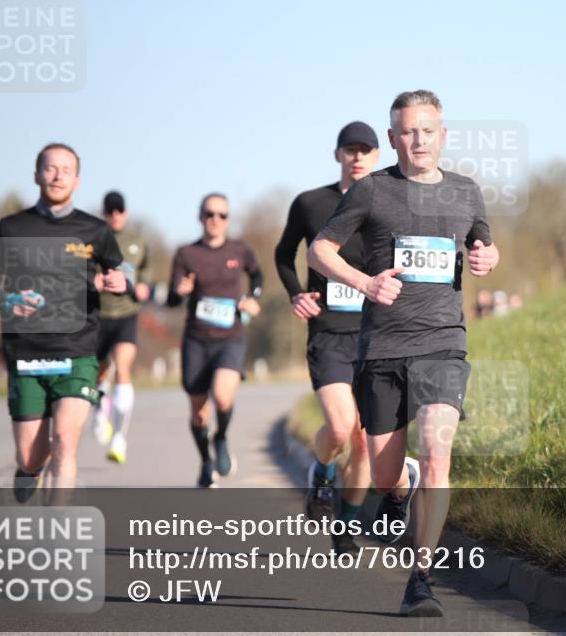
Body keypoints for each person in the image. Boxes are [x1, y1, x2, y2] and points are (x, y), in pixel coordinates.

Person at [309, 90, 499, 616]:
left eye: (428, 130)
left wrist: (488, 255)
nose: (419, 140)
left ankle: (421, 579)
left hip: (443, 344)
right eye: (407, 132)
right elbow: (319, 250)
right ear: (393, 139)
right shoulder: (371, 192)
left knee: (439, 453)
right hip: (383, 350)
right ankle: (396, 493)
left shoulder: (466, 192)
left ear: (443, 134)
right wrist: (364, 283)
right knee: (385, 471)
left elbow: (483, 241)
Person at [0, 143, 128, 501]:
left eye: (66, 170)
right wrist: (6, 299)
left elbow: (121, 272)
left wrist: (121, 282)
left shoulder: (95, 230)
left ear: (77, 180)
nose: (58, 176)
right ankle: (29, 469)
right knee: (31, 455)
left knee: (65, 443)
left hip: (77, 350)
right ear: (36, 174)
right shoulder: (11, 227)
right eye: (50, 168)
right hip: (26, 351)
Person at [274, 121, 380, 556]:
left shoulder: (387, 204)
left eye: (365, 150)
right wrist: (297, 293)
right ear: (337, 155)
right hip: (330, 335)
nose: (357, 157)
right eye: (349, 150)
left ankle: (347, 526)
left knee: (364, 441)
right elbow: (284, 254)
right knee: (341, 427)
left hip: (376, 337)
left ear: (376, 156)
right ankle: (320, 470)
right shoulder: (311, 203)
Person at [167, 193, 263, 488]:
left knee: (222, 396)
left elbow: (257, 276)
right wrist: (180, 291)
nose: (215, 219)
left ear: (228, 219)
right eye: (210, 214)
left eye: (221, 215)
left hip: (229, 339)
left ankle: (220, 438)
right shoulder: (186, 253)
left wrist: (252, 299)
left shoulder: (240, 250)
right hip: (197, 340)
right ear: (200, 217)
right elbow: (171, 299)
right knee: (198, 414)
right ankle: (206, 462)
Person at [89, 191, 152, 464]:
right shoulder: (93, 239)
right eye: (110, 211)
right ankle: (99, 410)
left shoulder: (137, 242)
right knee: (100, 374)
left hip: (127, 315)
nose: (115, 215)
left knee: (123, 368)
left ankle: (119, 439)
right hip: (98, 315)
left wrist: (144, 288)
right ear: (104, 213)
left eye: (119, 210)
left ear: (125, 213)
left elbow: (147, 277)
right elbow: (83, 271)